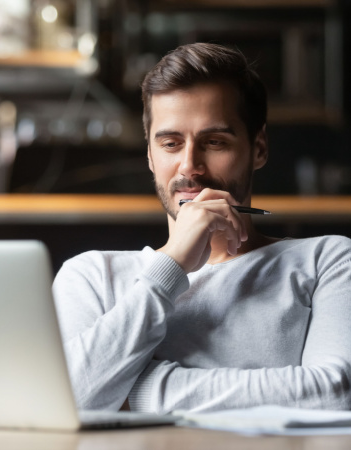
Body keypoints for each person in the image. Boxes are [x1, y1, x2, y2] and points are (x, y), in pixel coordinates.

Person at [52, 43, 351, 413]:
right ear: (149, 154)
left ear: (258, 149)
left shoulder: (328, 260)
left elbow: (335, 394)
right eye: (171, 143)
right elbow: (67, 401)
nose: (189, 165)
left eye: (214, 142)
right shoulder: (92, 276)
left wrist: (138, 390)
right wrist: (173, 265)